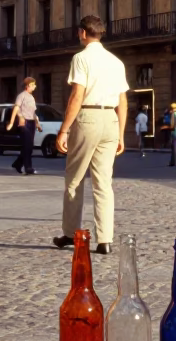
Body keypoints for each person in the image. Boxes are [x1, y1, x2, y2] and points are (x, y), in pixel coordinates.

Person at [53, 15, 128, 255]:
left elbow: (77, 96)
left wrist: (64, 129)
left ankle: (71, 232)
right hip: (111, 120)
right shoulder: (116, 62)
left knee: (74, 179)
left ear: (83, 33)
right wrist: (121, 135)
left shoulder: (81, 58)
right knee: (103, 183)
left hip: (88, 117)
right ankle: (105, 240)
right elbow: (122, 101)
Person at [6, 77, 42, 175]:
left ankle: (17, 163)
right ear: (28, 85)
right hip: (24, 123)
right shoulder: (21, 96)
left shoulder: (32, 97)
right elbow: (16, 109)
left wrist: (38, 124)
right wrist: (11, 123)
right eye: (33, 84)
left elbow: (34, 113)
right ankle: (28, 168)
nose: (35, 86)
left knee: (29, 147)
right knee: (27, 145)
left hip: (32, 123)